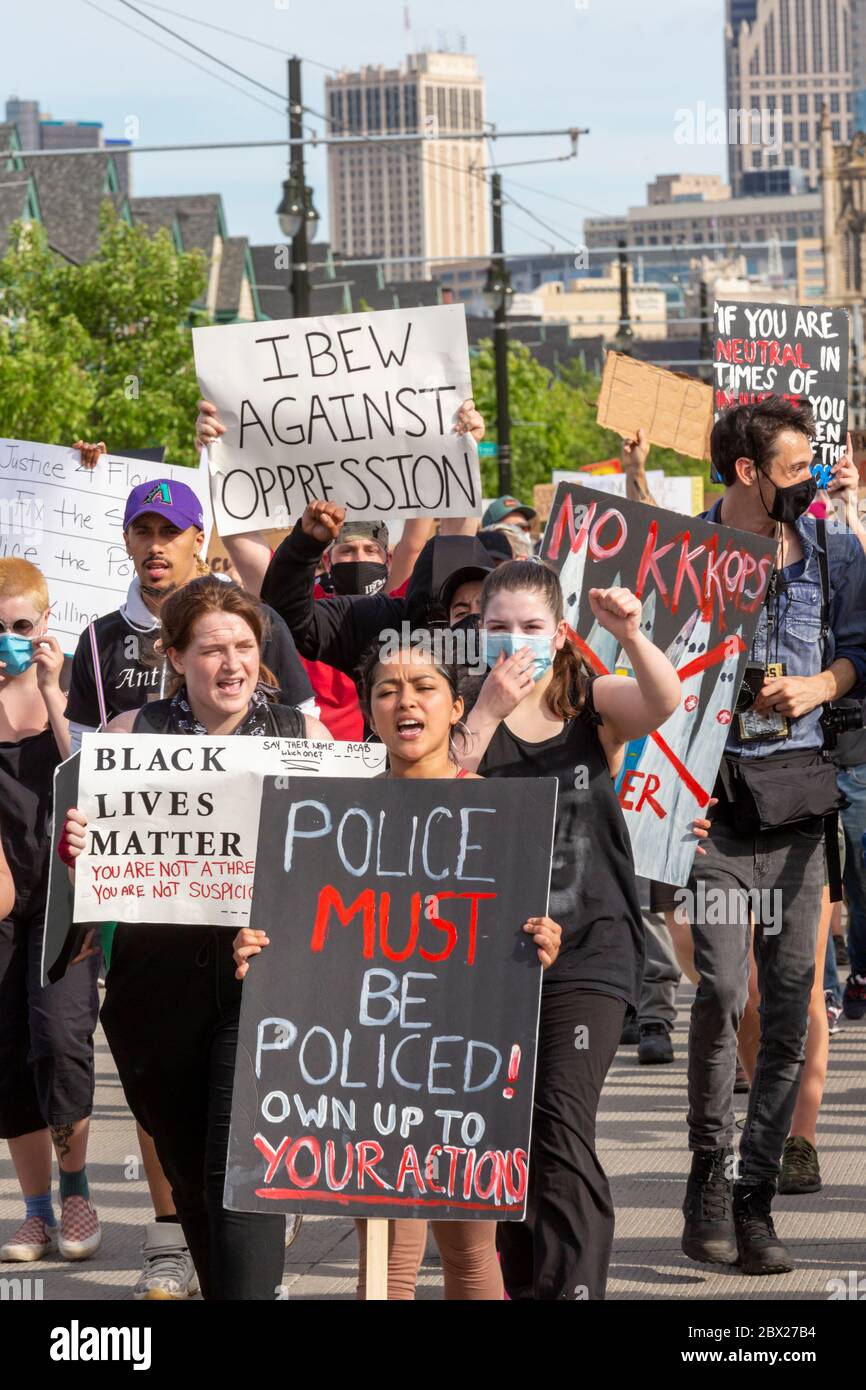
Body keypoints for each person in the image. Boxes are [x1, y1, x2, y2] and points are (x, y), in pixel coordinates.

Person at [233, 634, 562, 1300]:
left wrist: (544, 943)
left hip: (462, 1067)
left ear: (455, 706)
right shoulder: (331, 815)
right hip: (366, 1065)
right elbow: (307, 935)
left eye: (423, 688)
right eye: (387, 690)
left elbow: (512, 945)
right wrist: (260, 955)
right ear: (370, 710)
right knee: (385, 1265)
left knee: (471, 1254)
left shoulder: (499, 818)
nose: (404, 701)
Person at [64, 454, 316, 1297]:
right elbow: (93, 864)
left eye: (245, 646)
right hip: (152, 988)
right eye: (212, 649)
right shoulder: (133, 733)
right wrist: (82, 840)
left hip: (263, 982)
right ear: (176, 658)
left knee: (244, 1169)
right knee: (193, 1175)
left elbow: (338, 861)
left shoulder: (297, 740)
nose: (232, 663)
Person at [459, 559, 684, 1299]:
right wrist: (486, 712)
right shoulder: (459, 710)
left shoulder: (588, 700)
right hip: (490, 957)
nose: (513, 642)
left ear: (559, 635)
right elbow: (431, 796)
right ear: (476, 633)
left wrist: (631, 634)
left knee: (557, 1120)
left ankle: (574, 1290)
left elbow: (663, 698)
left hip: (592, 946)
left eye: (529, 627)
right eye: (497, 629)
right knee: (510, 1133)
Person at [678, 400, 866, 1277]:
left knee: (792, 1005)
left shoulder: (832, 546)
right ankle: (706, 1179)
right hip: (712, 814)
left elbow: (864, 649)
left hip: (798, 814)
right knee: (720, 988)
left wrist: (820, 685)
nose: (811, 483)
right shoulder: (683, 549)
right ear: (749, 473)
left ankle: (754, 1199)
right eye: (795, 470)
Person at [0, 559, 102, 1265]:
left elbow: (95, 780)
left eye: (19, 626)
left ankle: (76, 1186)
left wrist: (53, 695)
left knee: (61, 1036)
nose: (7, 637)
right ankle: (35, 1208)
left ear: (44, 624)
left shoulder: (67, 693)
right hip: (2, 899)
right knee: (7, 1051)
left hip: (67, 895)